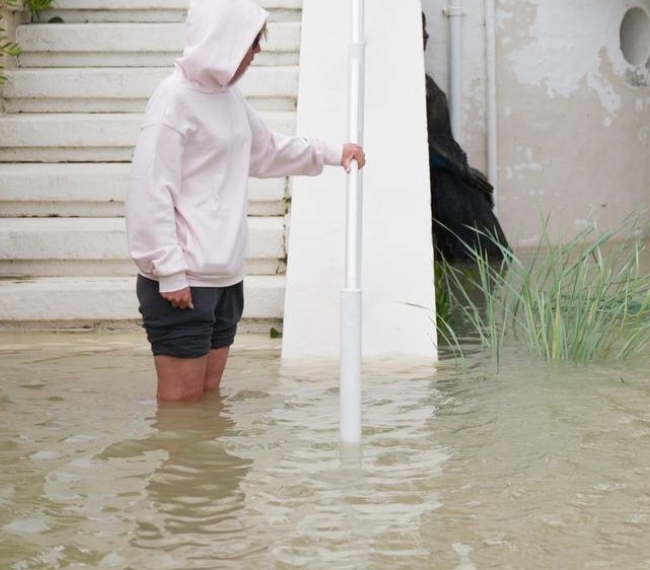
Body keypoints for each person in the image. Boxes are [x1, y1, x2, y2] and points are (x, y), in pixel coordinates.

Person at [126, 0, 365, 402]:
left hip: (225, 279)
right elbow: (150, 192)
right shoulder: (173, 101)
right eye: (251, 43)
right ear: (223, 41)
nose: (257, 53)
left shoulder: (228, 97)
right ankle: (179, 469)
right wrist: (169, 269)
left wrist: (330, 152)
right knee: (181, 407)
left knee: (206, 398)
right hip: (183, 281)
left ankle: (213, 468)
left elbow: (266, 149)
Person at [423, 14, 509, 263]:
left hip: (452, 173)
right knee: (480, 243)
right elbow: (425, 141)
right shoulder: (418, 87)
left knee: (488, 236)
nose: (427, 35)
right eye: (422, 30)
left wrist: (466, 171)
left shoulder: (427, 84)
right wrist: (465, 172)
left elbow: (442, 138)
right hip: (443, 178)